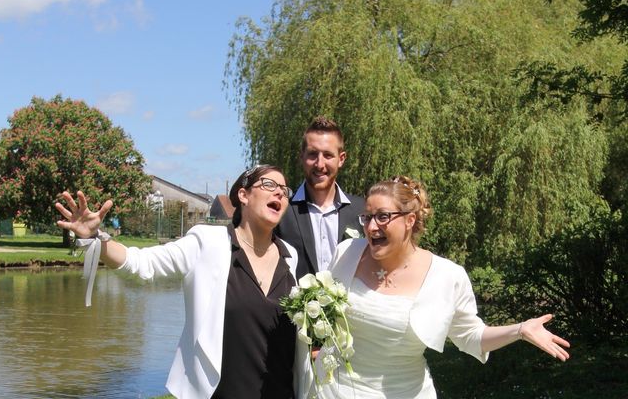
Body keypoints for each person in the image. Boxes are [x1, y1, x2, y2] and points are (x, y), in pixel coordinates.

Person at [55, 165, 304, 399]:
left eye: (285, 190)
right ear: (243, 195)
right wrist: (98, 238)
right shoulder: (208, 242)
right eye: (270, 184)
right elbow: (144, 264)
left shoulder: (290, 257)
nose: (279, 193)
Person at [315, 176, 570, 399]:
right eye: (367, 217)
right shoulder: (347, 252)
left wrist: (520, 330)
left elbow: (471, 336)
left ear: (409, 220)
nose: (371, 227)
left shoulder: (447, 276)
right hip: (332, 390)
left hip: (403, 393)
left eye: (383, 216)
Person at [277, 116, 364, 277]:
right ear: (301, 156)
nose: (320, 164)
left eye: (328, 155)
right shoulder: (282, 211)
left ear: (341, 159)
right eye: (312, 154)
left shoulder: (363, 211)